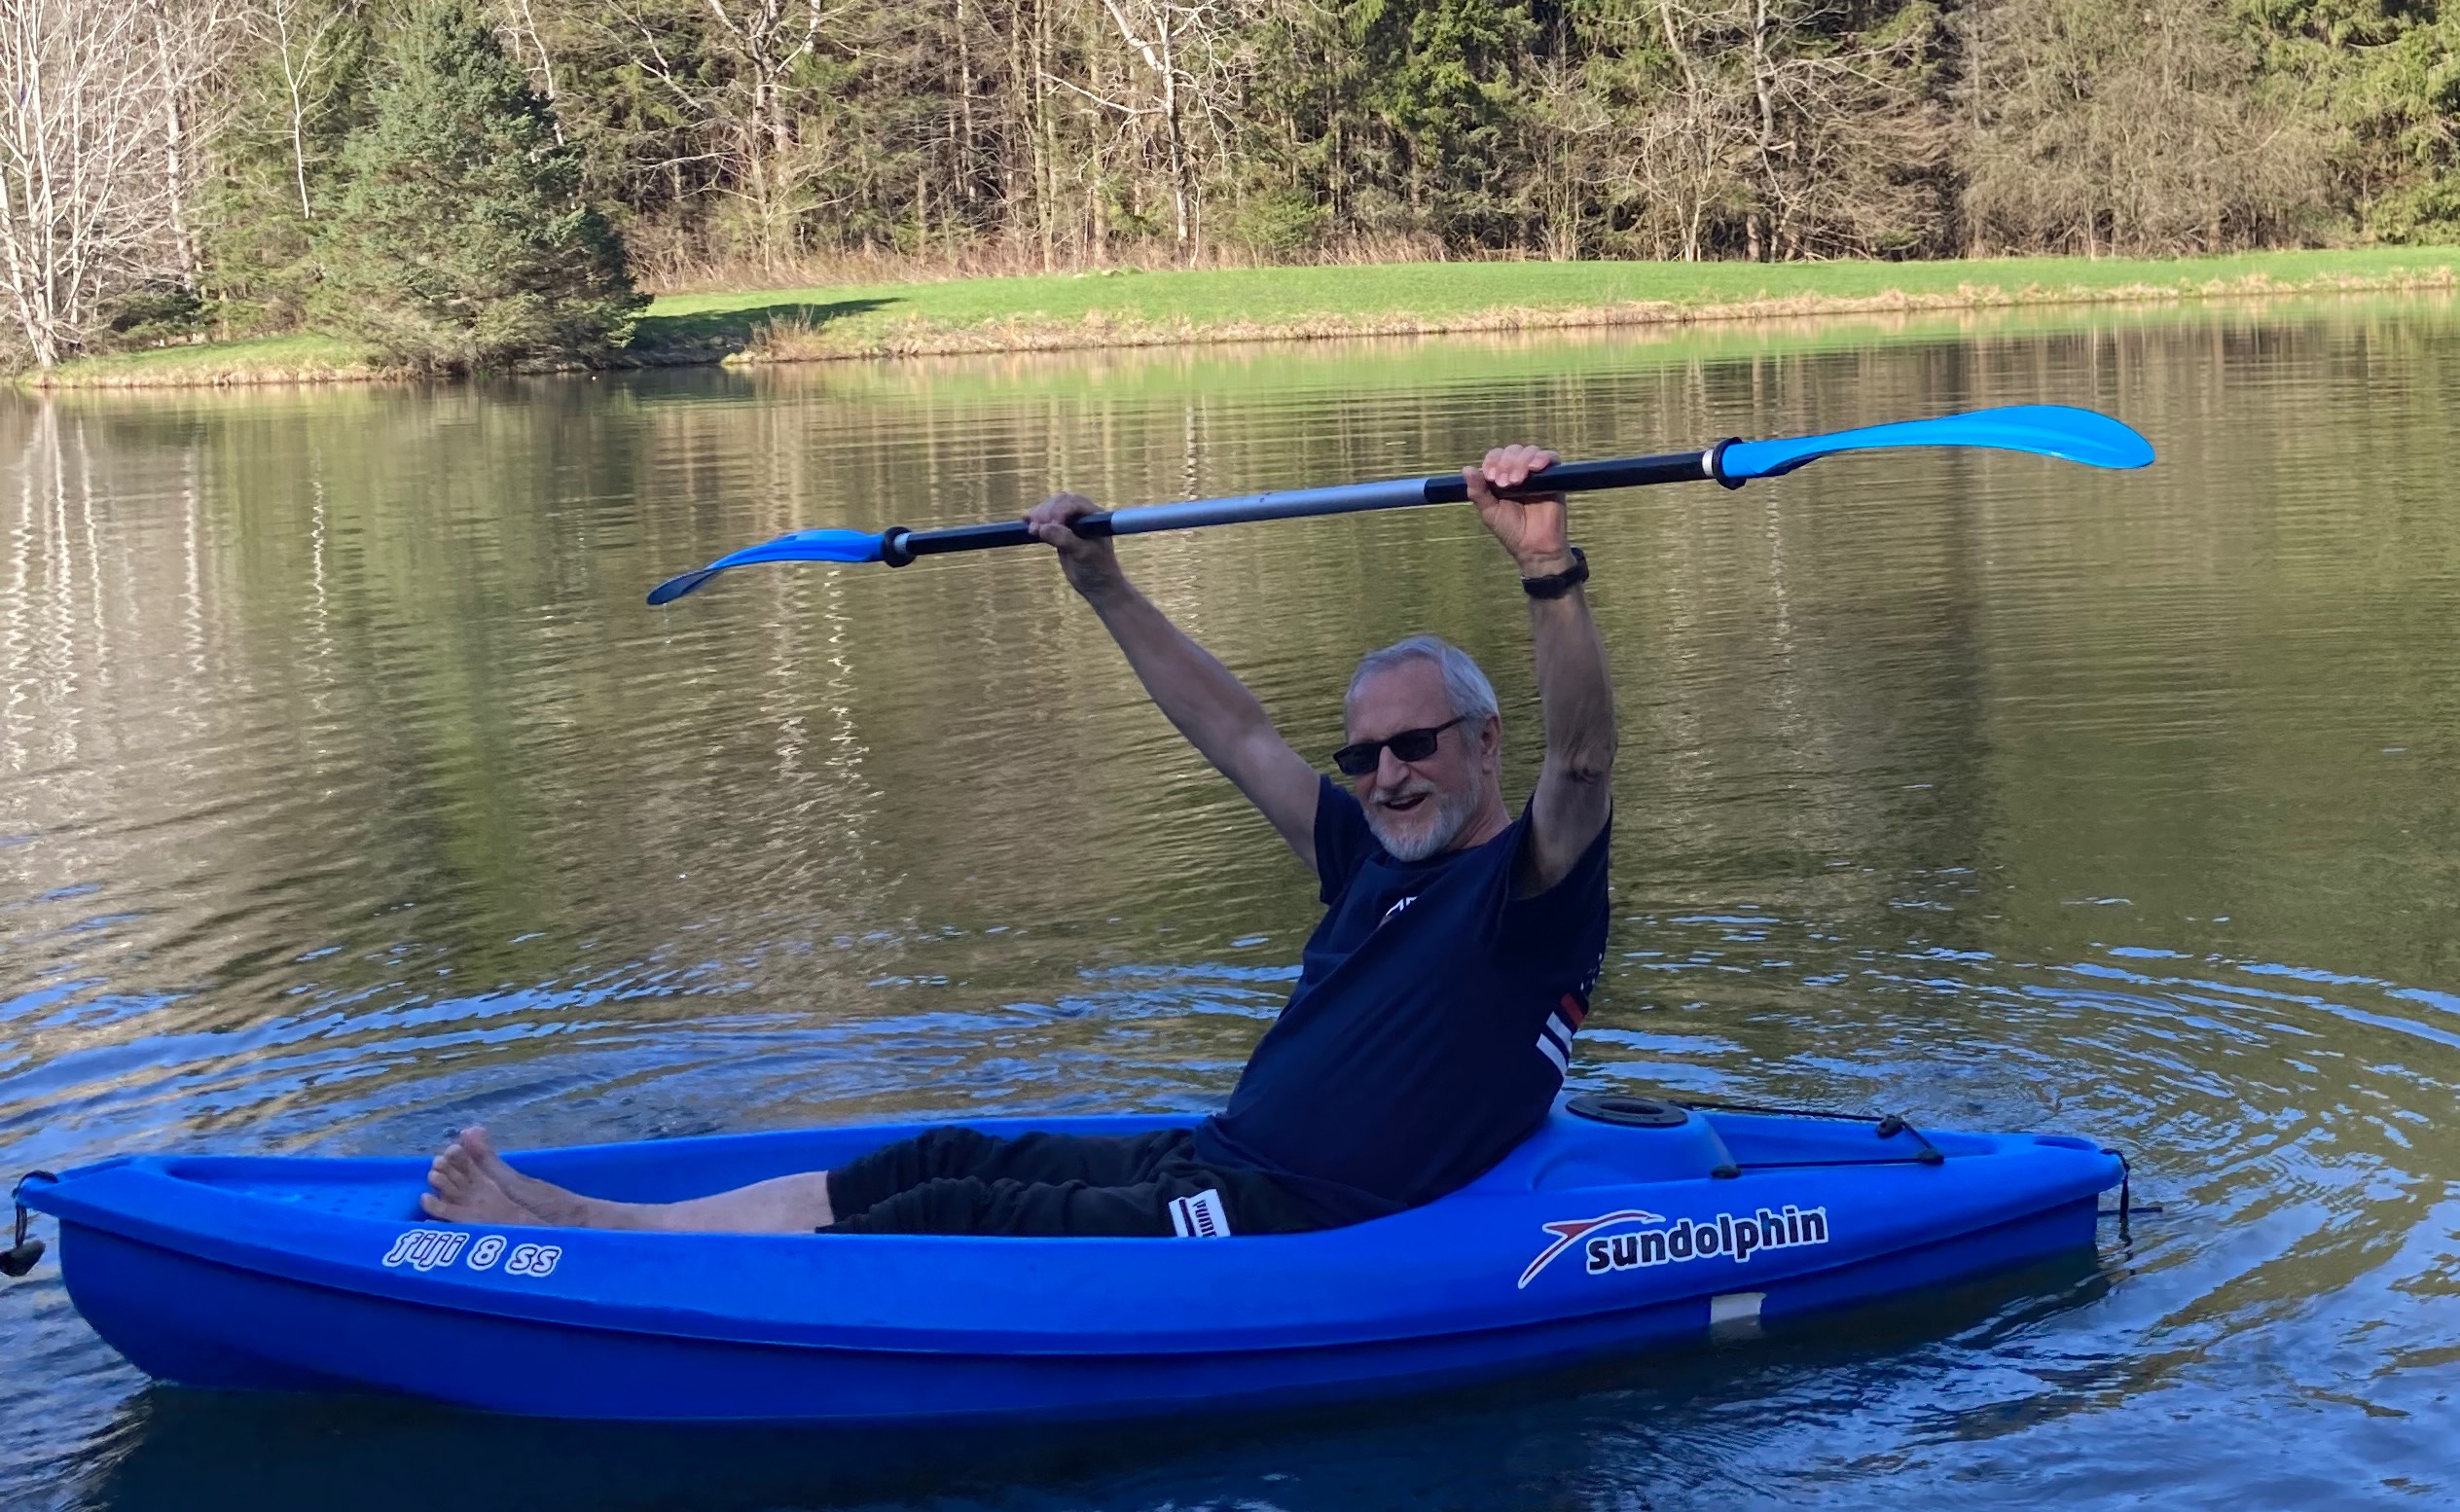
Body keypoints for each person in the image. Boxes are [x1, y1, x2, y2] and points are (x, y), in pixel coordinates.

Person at [421, 444, 1615, 1238]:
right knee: (926, 1160)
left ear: (1484, 740)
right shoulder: (1368, 850)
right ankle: (609, 1227)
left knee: (952, 1213)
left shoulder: (1528, 892)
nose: (1387, 775)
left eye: (1413, 745)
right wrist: (1101, 583)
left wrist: (1544, 566)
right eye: (1363, 756)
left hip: (1290, 1218)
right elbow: (1238, 731)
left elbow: (1580, 763)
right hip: (1215, 1158)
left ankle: (605, 1248)